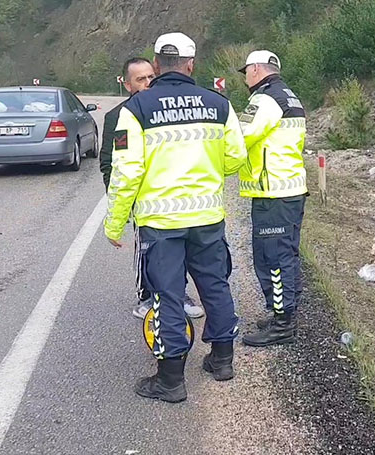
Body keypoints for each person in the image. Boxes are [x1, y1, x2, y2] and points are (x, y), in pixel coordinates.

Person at [104, 32, 248, 403]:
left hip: (161, 224)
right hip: (207, 217)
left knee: (167, 296)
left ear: (155, 65)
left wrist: (115, 223)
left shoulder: (133, 110)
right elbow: (235, 158)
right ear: (191, 65)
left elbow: (125, 173)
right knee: (215, 285)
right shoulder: (219, 104)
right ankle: (222, 360)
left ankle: (170, 380)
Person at [100, 58, 206, 321]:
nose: (147, 83)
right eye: (140, 79)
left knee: (177, 250)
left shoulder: (169, 108)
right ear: (127, 85)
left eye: (150, 77)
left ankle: (179, 294)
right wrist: (121, 206)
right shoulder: (118, 117)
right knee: (146, 252)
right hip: (140, 200)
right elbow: (109, 164)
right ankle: (147, 295)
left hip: (174, 198)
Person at [235, 50, 308, 347]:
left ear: (255, 69)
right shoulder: (291, 96)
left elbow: (240, 136)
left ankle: (282, 323)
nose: (245, 78)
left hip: (272, 193)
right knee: (287, 254)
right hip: (290, 190)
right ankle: (285, 313)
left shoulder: (264, 99)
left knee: (272, 259)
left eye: (246, 72)